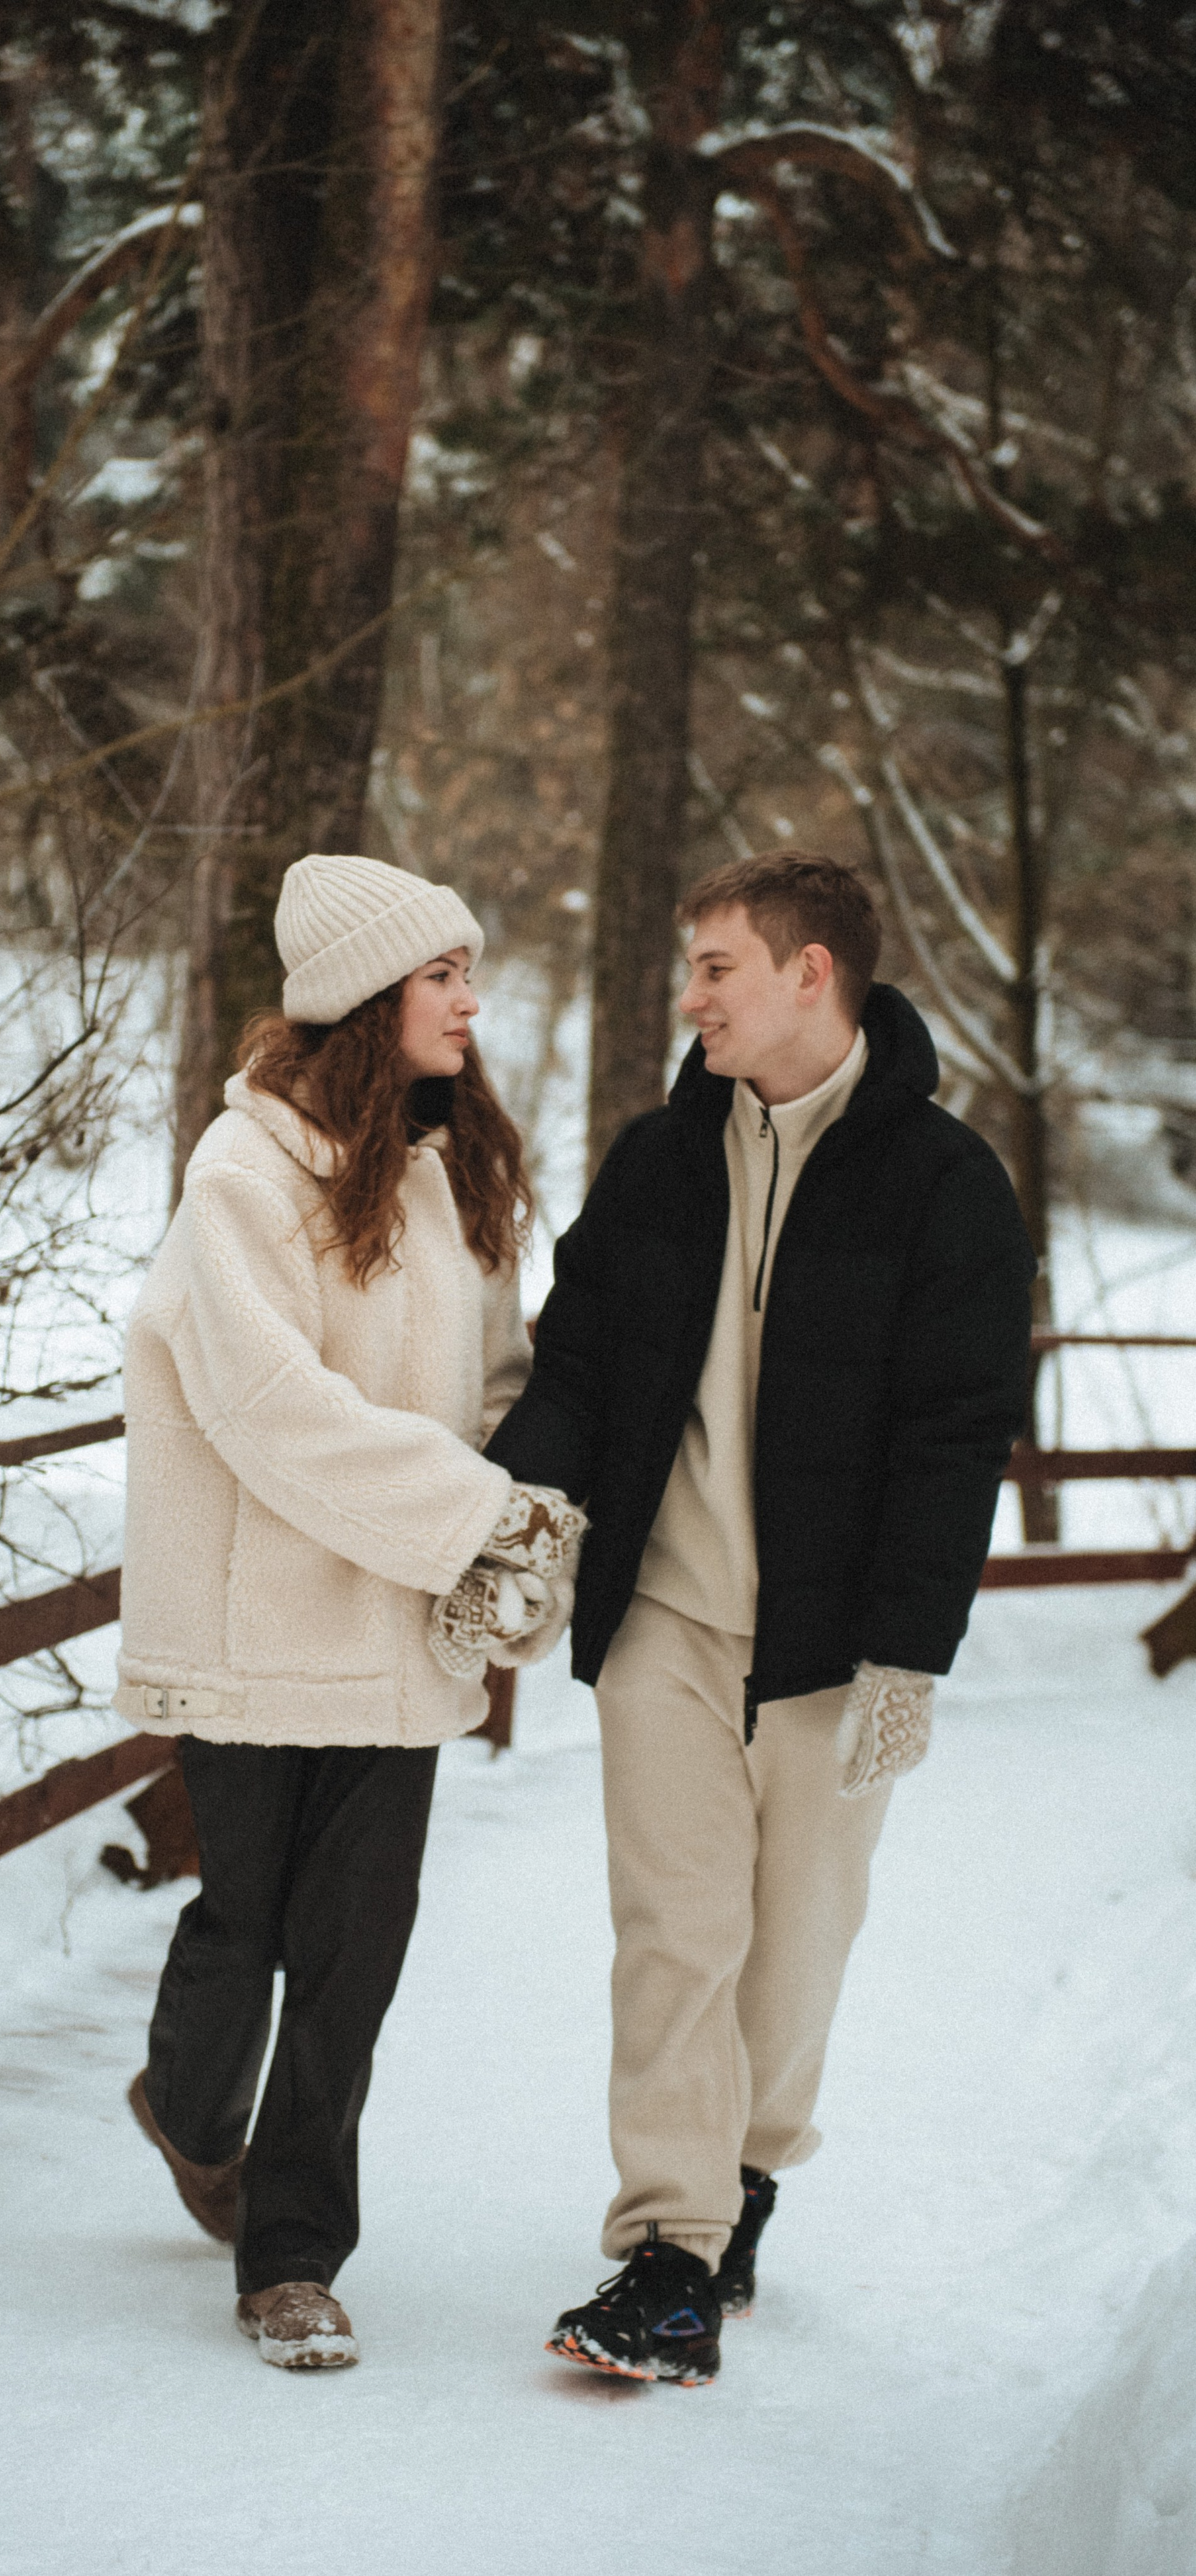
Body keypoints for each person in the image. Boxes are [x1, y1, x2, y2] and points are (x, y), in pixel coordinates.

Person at [487, 851, 1034, 2386]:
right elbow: (576, 1362)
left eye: (718, 965)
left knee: (794, 1950)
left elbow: (956, 1425)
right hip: (664, 1615)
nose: (692, 997)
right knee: (675, 1935)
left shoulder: (944, 1186)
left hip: (827, 1639)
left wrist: (908, 1650)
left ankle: (747, 2176)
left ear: (811, 974)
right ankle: (668, 2245)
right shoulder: (661, 1159)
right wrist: (525, 1518)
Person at [116, 850, 584, 2372]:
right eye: (442, 973)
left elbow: (491, 1380)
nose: (469, 998)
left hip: (391, 1637)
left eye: (466, 969)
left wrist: (529, 1501)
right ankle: (184, 2110)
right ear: (365, 998)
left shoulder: (450, 1175)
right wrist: (468, 1518)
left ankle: (293, 2256)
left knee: (352, 1951)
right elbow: (266, 1406)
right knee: (242, 1923)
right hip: (259, 1634)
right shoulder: (238, 1178)